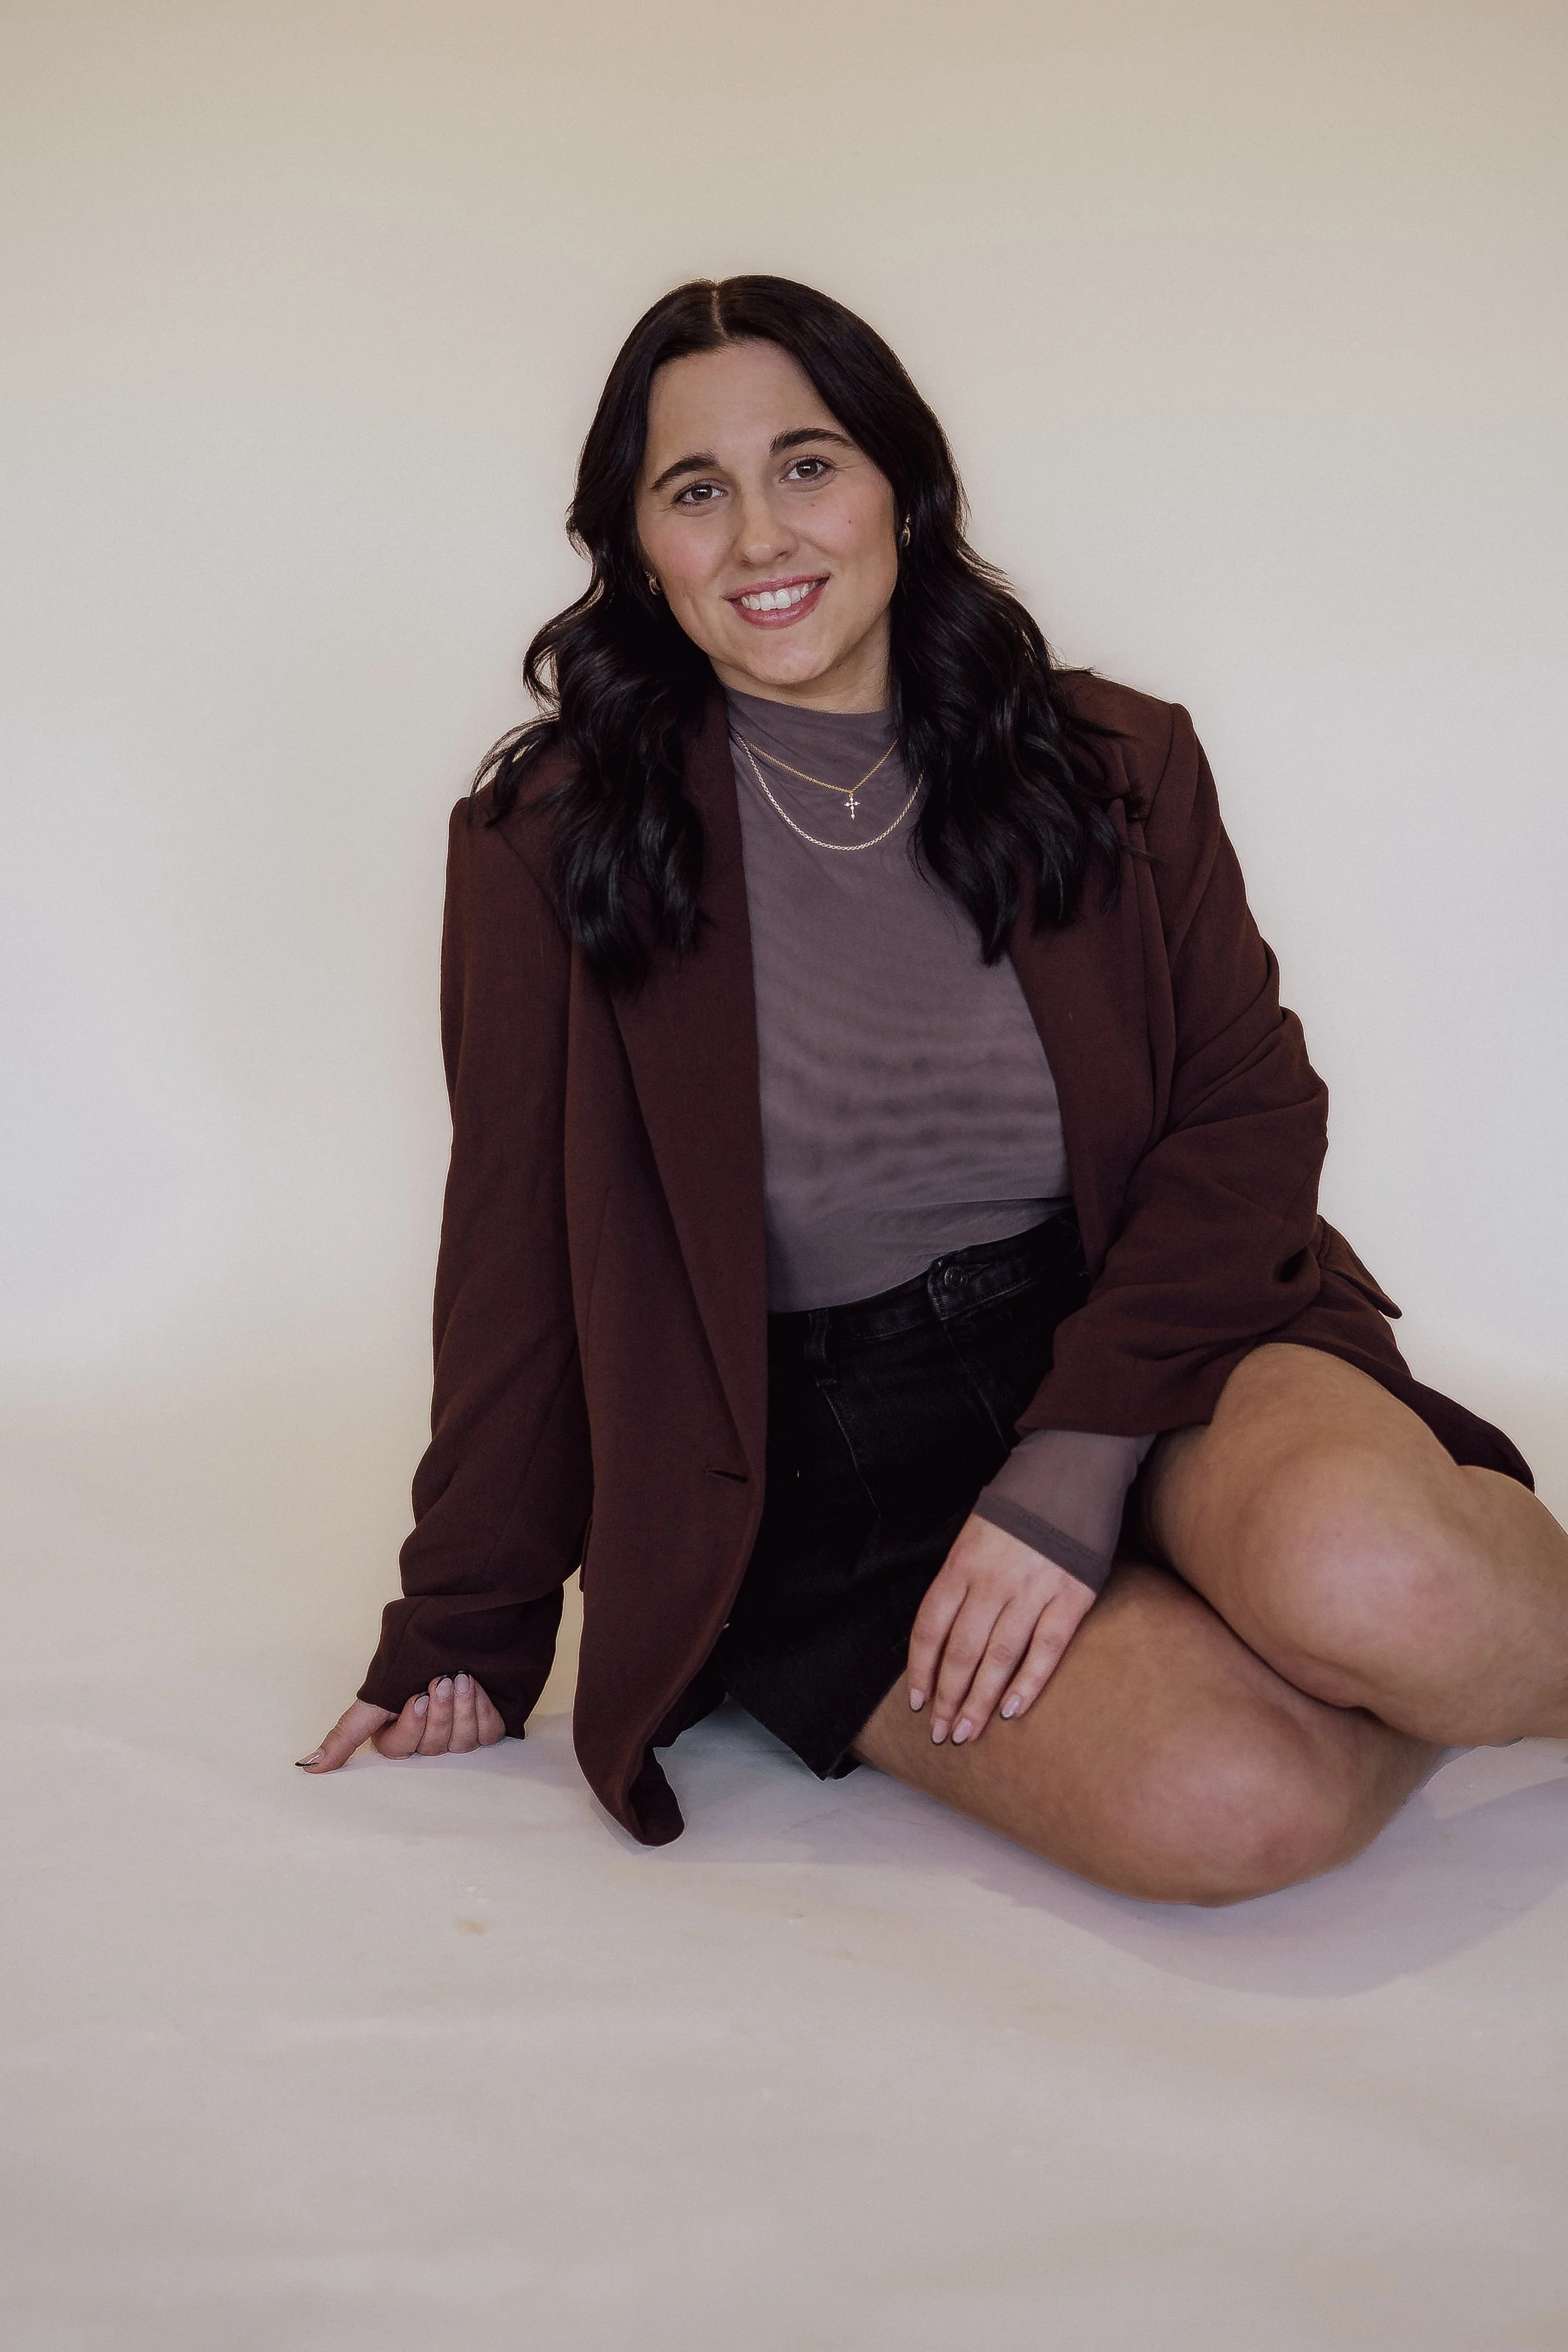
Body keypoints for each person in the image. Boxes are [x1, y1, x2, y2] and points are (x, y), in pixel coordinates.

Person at [297, 275, 1568, 1905]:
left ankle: (1370, 1627)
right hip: (821, 1473)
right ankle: (1345, 1670)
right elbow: (513, 1251)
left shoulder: (1115, 763)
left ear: (901, 482)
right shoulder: (550, 842)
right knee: (1232, 1802)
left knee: (1386, 1583)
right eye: (696, 490)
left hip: (1150, 1336)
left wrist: (1076, 1458)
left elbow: (1245, 1114)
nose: (762, 536)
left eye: (806, 464)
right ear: (636, 543)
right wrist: (465, 1624)